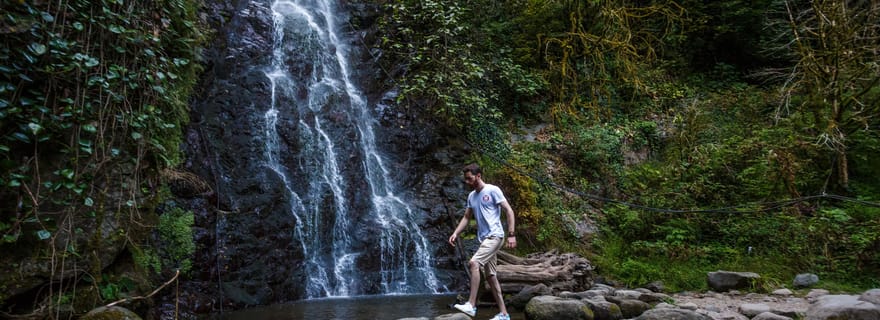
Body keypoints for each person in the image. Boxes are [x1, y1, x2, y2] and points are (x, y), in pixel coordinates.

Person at [448, 163, 516, 320]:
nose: (467, 182)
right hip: (484, 239)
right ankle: (504, 314)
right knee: (491, 276)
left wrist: (511, 234)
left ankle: (471, 305)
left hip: (495, 236)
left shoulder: (492, 190)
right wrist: (456, 233)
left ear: (478, 176)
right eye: (465, 179)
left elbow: (509, 211)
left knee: (474, 263)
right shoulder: (472, 196)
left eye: (469, 178)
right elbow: (466, 217)